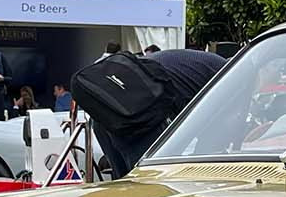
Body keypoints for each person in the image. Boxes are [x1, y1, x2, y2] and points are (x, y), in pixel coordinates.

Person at [84, 48, 226, 178]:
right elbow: (208, 150)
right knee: (150, 183)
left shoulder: (210, 64)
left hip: (104, 106)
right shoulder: (230, 78)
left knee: (126, 184)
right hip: (136, 111)